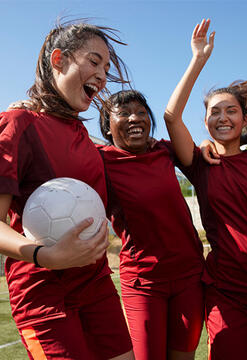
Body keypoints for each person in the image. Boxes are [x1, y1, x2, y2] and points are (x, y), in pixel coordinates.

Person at [163, 19, 247, 360]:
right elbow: (170, 117)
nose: (223, 117)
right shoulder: (199, 162)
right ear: (205, 119)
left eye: (231, 111)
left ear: (243, 118)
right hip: (226, 288)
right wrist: (198, 60)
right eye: (214, 112)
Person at [0, 21, 134, 359]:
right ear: (58, 60)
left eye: (106, 68)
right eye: (94, 61)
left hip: (97, 286)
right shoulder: (18, 124)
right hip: (44, 298)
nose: (102, 75)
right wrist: (44, 255)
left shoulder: (84, 139)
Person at [97, 89, 205, 360]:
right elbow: (65, 139)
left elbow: (197, 145)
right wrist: (36, 111)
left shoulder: (165, 151)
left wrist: (209, 144)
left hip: (189, 276)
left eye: (142, 112)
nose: (135, 118)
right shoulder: (100, 160)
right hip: (143, 282)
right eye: (123, 113)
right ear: (107, 128)